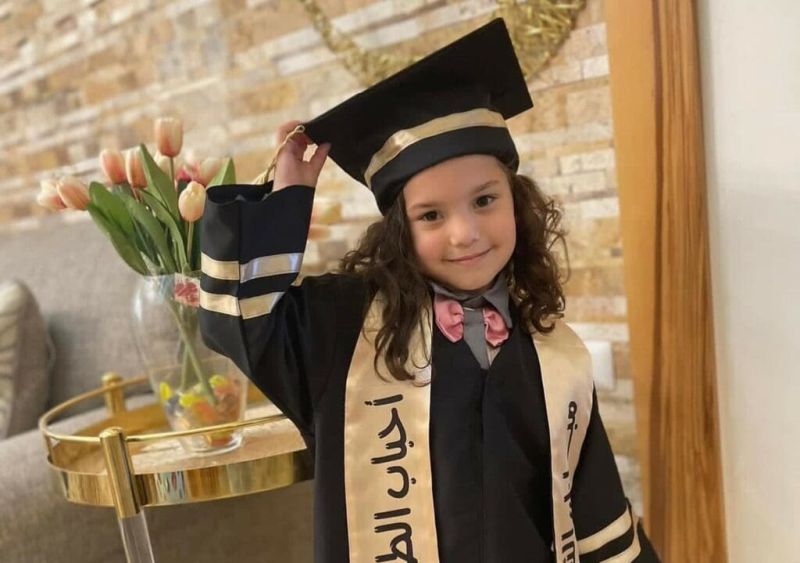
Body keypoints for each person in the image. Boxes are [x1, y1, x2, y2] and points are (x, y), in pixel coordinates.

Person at [198, 18, 660, 563]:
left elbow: (594, 510)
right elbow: (237, 320)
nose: (465, 233)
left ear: (516, 202)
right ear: (400, 230)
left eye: (484, 200)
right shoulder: (341, 332)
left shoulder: (554, 354)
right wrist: (287, 201)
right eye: (431, 215)